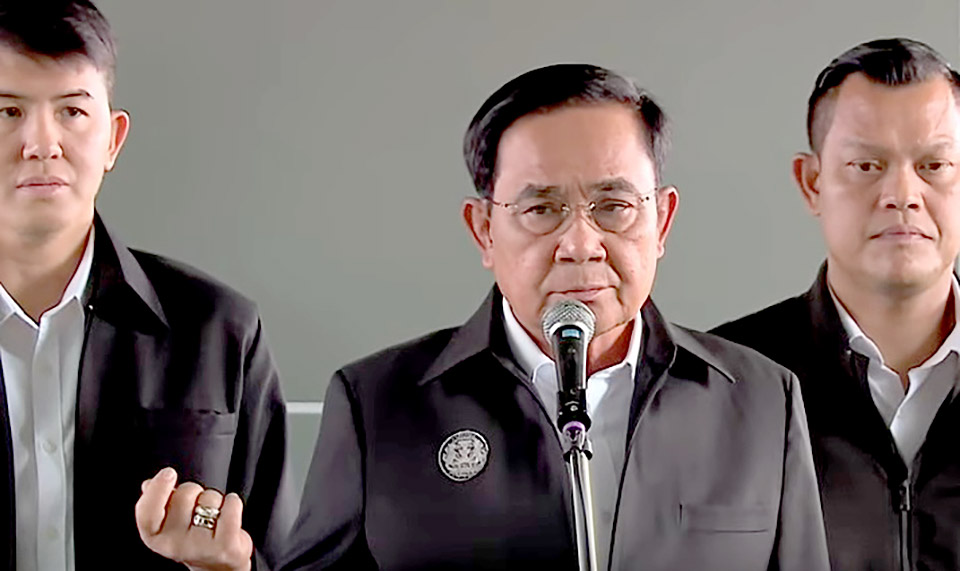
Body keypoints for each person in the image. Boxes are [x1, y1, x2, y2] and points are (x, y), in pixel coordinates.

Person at [279, 63, 829, 570]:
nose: (581, 245)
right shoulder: (377, 404)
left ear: (661, 222)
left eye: (613, 207)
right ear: (484, 231)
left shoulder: (762, 400)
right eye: (542, 209)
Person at [0, 1, 294, 569]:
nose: (42, 144)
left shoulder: (220, 331)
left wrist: (226, 567)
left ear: (113, 140)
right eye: (8, 111)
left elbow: (281, 556)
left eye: (72, 111)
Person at [713, 38, 960, 570]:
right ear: (812, 183)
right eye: (867, 165)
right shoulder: (724, 383)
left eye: (935, 165)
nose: (902, 194)